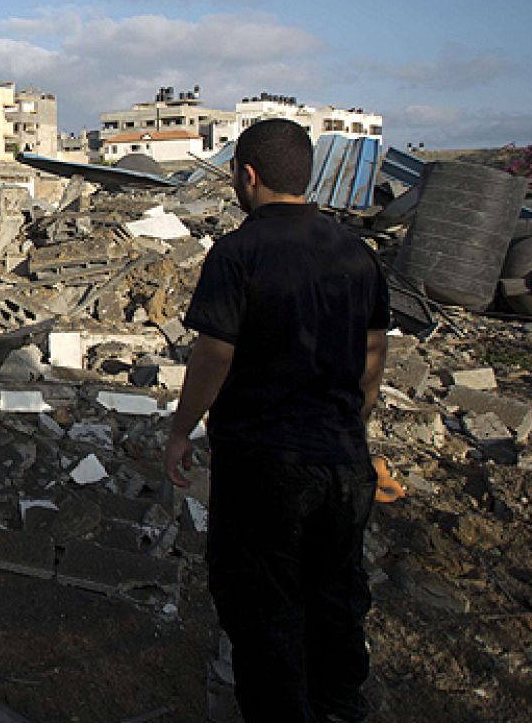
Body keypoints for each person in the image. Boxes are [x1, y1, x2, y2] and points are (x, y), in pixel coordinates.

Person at [163, 118, 389, 722]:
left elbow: (214, 353)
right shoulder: (357, 253)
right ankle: (341, 709)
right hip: (343, 460)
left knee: (263, 605)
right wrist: (350, 423)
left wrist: (182, 430)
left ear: (248, 175)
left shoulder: (238, 252)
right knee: (337, 593)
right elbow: (374, 354)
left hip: (264, 463)